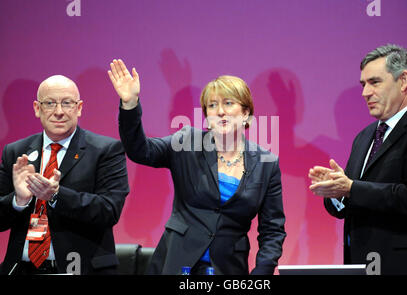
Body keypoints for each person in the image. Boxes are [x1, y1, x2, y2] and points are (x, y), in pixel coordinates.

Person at [108, 59, 286, 275]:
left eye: (228, 103)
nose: (220, 111)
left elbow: (272, 230)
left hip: (228, 268)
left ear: (246, 112)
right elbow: (140, 150)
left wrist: (261, 273)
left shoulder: (266, 163)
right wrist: (130, 104)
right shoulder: (187, 142)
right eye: (212, 105)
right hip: (177, 263)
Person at [308, 44, 407, 275]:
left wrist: (351, 188)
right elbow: (353, 202)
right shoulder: (364, 137)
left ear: (403, 80)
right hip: (362, 265)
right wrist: (337, 192)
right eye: (363, 84)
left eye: (374, 82)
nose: (365, 93)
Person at [0, 75, 129, 275]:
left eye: (67, 103)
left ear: (79, 108)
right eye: (50, 103)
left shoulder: (106, 150)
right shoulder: (15, 152)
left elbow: (109, 210)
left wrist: (56, 196)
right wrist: (19, 200)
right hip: (22, 269)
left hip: (81, 269)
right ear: (37, 108)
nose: (58, 112)